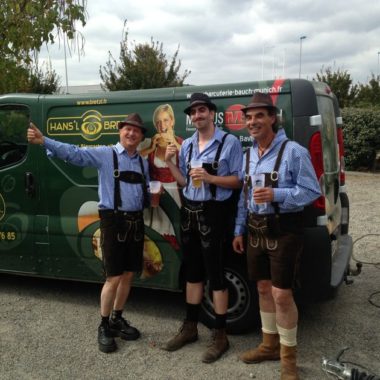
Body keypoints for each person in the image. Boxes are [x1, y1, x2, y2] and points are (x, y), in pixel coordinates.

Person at [27, 113, 149, 354]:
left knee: (128, 275)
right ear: (120, 131)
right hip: (113, 222)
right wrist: (45, 141)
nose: (131, 133)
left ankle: (117, 318)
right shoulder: (106, 154)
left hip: (136, 223)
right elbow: (75, 153)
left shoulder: (143, 162)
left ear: (142, 136)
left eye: (136, 131)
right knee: (113, 277)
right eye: (127, 129)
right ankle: (103, 325)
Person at [232, 93, 321, 380]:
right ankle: (268, 344)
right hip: (256, 229)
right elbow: (244, 197)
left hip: (284, 229)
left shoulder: (294, 151)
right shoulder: (248, 156)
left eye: (259, 116)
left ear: (272, 117)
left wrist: (277, 194)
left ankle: (288, 359)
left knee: (282, 294)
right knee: (261, 289)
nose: (252, 122)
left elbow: (311, 191)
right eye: (248, 117)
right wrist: (238, 229)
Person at [162, 93, 243, 363]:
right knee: (193, 274)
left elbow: (239, 182)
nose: (197, 115)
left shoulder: (229, 142)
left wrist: (210, 177)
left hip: (214, 214)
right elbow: (184, 183)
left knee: (216, 275)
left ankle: (221, 335)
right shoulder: (187, 146)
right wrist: (171, 163)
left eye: (201, 111)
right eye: (193, 112)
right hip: (190, 213)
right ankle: (190, 328)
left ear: (212, 113)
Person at [139, 104, 183, 245]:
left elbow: (192, 160)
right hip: (156, 197)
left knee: (175, 231)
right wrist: (150, 147)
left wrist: (174, 142)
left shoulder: (181, 143)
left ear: (172, 121)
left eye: (165, 120)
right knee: (156, 234)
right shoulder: (151, 143)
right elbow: (131, 159)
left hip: (176, 194)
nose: (161, 125)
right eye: (158, 122)